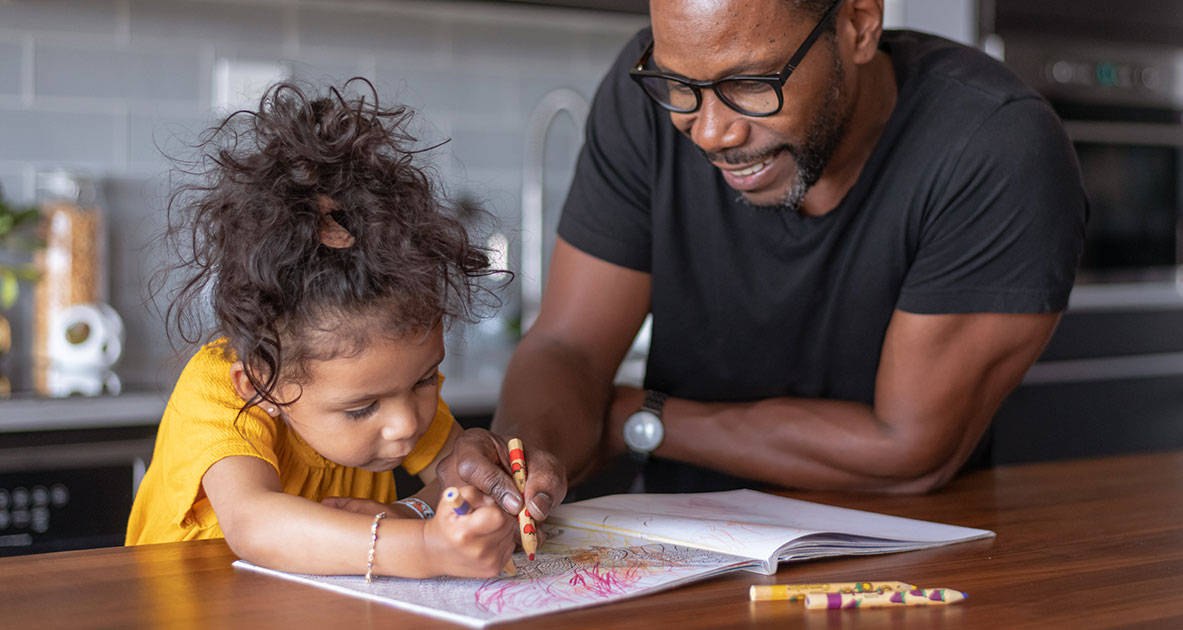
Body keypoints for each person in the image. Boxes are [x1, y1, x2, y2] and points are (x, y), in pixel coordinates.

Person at [447, 0, 1087, 500]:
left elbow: (909, 451)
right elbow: (568, 348)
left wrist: (637, 420)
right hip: (685, 554)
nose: (709, 132)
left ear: (858, 25)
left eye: (751, 83)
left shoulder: (996, 147)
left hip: (908, 566)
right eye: (678, 85)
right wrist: (519, 464)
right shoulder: (644, 104)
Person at [126, 79, 565, 579]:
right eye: (362, 408)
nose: (407, 423)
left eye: (425, 380)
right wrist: (423, 548)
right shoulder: (220, 393)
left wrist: (474, 494)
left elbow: (450, 487)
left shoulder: (387, 380)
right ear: (261, 384)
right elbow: (255, 525)